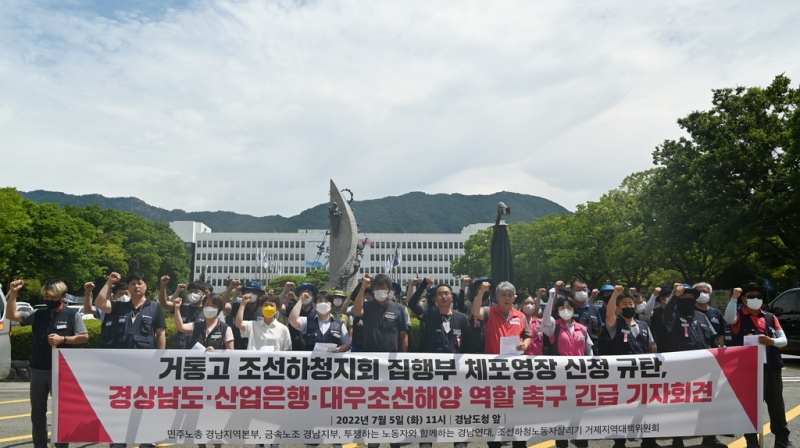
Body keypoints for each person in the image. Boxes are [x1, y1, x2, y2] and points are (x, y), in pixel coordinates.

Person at [4, 279, 89, 448]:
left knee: (62, 412)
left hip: (62, 371)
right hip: (38, 369)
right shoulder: (38, 314)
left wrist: (63, 339)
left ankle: (62, 445)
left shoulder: (73, 315)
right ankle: (40, 445)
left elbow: (84, 336)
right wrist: (13, 293)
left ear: (63, 297)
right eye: (45, 296)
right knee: (37, 413)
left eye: (52, 296)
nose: (47, 299)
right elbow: (11, 315)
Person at [725, 283, 793, 448]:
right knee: (751, 406)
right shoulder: (738, 316)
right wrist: (733, 298)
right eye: (751, 296)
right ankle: (752, 440)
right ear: (744, 299)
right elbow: (728, 318)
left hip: (772, 367)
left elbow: (783, 340)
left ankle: (782, 439)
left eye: (759, 296)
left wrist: (772, 341)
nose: (756, 299)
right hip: (749, 369)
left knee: (777, 404)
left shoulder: (770, 317)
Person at [662, 283, 718, 448]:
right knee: (680, 405)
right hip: (681, 369)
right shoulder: (673, 315)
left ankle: (709, 437)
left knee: (706, 404)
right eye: (684, 296)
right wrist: (674, 296)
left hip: (704, 368)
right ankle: (677, 439)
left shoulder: (702, 317)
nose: (688, 299)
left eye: (690, 296)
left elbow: (713, 340)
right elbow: (666, 315)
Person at [603, 286, 657, 448]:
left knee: (645, 406)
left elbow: (652, 346)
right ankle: (619, 441)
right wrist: (615, 295)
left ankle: (648, 440)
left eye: (631, 303)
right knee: (620, 408)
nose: (630, 306)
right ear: (619, 308)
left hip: (643, 373)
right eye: (625, 304)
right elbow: (609, 313)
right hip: (621, 374)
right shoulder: (614, 324)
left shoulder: (643, 325)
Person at [541, 281, 591, 448]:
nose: (566, 310)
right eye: (562, 308)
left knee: (580, 415)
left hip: (580, 379)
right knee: (561, 417)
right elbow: (546, 317)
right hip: (560, 379)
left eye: (569, 307)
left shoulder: (582, 329)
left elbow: (589, 351)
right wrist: (551, 296)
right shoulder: (553, 327)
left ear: (574, 310)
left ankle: (582, 443)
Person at [409, 278, 471, 354]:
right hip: (434, 363)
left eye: (446, 293)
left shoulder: (462, 318)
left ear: (452, 298)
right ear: (435, 299)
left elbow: (468, 344)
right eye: (440, 294)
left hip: (455, 363)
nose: (443, 297)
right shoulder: (429, 315)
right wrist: (423, 285)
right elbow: (412, 305)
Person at [353, 273, 408, 353]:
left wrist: (404, 355)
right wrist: (363, 287)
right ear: (373, 290)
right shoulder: (367, 306)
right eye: (377, 288)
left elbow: (403, 335)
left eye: (383, 288)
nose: (380, 291)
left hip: (391, 355)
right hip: (370, 355)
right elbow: (357, 312)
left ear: (389, 290)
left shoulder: (399, 309)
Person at [159, 276, 208, 349]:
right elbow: (164, 303)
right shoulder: (181, 307)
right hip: (182, 348)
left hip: (200, 349)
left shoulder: (208, 311)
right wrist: (163, 286)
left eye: (196, 292)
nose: (193, 294)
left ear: (203, 294)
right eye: (190, 291)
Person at [83, 280, 128, 348]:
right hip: (108, 352)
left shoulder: (135, 311)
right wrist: (88, 292)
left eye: (127, 294)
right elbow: (88, 309)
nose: (124, 296)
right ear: (114, 296)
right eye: (121, 294)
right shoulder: (106, 310)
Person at [226, 280, 265, 350]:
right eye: (248, 291)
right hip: (238, 347)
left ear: (259, 295)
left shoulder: (263, 309)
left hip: (258, 348)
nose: (250, 294)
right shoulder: (237, 306)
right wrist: (229, 289)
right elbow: (221, 306)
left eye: (254, 292)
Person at [282, 281, 318, 351]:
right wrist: (285, 290)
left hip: (312, 350)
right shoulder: (292, 310)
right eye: (302, 292)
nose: (305, 294)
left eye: (308, 292)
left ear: (313, 297)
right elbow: (279, 306)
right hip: (294, 349)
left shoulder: (317, 313)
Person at [465, 277, 496, 353]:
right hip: (473, 350)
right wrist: (462, 288)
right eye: (481, 288)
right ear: (476, 291)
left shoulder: (495, 308)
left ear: (491, 290)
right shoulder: (469, 305)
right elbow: (460, 307)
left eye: (486, 288)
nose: (484, 290)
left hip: (491, 349)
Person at [571, 280, 603, 353]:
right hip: (574, 350)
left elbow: (600, 328)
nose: (582, 292)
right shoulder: (568, 308)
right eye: (579, 289)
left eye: (584, 289)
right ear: (572, 292)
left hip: (593, 349)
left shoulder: (594, 309)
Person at [693, 282, 725, 348]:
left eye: (705, 292)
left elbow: (720, 334)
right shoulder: (690, 312)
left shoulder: (716, 313)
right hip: (695, 350)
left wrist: (720, 345)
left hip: (712, 350)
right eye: (699, 291)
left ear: (710, 295)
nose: (702, 294)